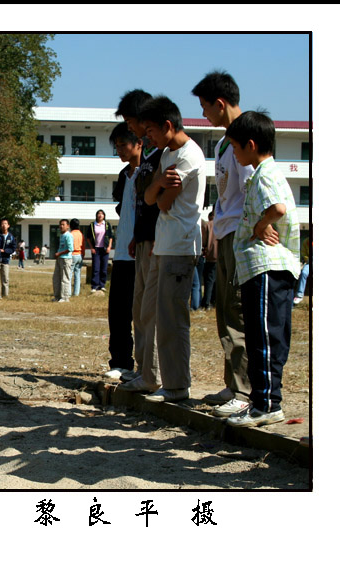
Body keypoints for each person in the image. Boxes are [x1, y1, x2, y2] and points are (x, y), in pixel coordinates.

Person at [225, 110, 301, 427]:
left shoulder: (265, 174)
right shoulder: (263, 172)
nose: (233, 153)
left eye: (235, 147)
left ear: (252, 145)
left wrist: (260, 225)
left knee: (265, 337)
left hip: (268, 267)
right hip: (265, 269)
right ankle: (261, 400)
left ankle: (268, 403)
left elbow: (278, 208)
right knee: (264, 335)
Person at [191, 71, 255, 415]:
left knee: (239, 312)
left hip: (241, 236)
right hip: (225, 230)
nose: (204, 115)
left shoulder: (247, 137)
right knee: (225, 310)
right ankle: (233, 383)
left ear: (220, 103)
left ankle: (245, 391)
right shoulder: (221, 143)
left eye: (205, 108)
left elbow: (251, 192)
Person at [139, 95, 206, 404]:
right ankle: (169, 383)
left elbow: (163, 201)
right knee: (159, 314)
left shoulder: (189, 156)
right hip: (165, 244)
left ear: (167, 125)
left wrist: (160, 189)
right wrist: (159, 186)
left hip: (181, 244)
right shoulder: (166, 154)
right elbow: (151, 197)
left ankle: (177, 386)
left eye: (150, 130)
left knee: (173, 319)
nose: (147, 137)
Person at [117, 89, 164, 392]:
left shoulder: (162, 154)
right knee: (138, 312)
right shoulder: (145, 159)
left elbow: (158, 198)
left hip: (162, 243)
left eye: (132, 124)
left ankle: (154, 374)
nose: (130, 129)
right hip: (142, 240)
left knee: (152, 313)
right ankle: (141, 369)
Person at [104, 123, 142, 380]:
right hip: (121, 253)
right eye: (116, 146)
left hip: (142, 253)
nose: (119, 150)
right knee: (117, 311)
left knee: (139, 312)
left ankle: (145, 367)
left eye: (123, 144)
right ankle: (120, 362)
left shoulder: (149, 172)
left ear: (139, 142)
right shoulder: (123, 174)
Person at [0, 217, 17, 299]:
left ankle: (5, 294)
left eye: (5, 224)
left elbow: (13, 248)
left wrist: (5, 251)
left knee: (5, 278)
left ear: (8, 225)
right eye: (2, 224)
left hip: (6, 260)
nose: (3, 225)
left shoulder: (11, 237)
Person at [89, 210, 113, 292]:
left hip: (105, 249)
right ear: (96, 215)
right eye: (98, 214)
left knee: (104, 268)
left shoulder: (107, 225)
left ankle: (102, 285)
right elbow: (88, 238)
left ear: (104, 216)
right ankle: (94, 285)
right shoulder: (92, 225)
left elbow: (110, 237)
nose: (100, 215)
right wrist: (91, 247)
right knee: (96, 268)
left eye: (102, 214)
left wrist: (109, 246)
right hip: (96, 249)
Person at [52, 219, 73, 302]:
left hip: (66, 259)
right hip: (60, 258)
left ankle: (65, 297)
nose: (61, 226)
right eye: (60, 224)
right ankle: (57, 296)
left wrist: (59, 253)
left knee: (65, 278)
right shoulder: (61, 235)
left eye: (63, 224)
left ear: (68, 226)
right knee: (56, 278)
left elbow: (70, 248)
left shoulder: (69, 235)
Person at [200, 210, 218, 309]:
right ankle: (214, 300)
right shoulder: (222, 224)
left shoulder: (208, 225)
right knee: (217, 281)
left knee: (209, 281)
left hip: (210, 256)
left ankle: (206, 302)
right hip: (220, 256)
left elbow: (204, 240)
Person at [293, 235, 310, 305]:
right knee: (304, 273)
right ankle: (299, 295)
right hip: (310, 262)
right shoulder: (306, 241)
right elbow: (304, 254)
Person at [69, 219, 85, 296]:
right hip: (80, 254)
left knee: (69, 274)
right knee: (77, 274)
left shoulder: (70, 234)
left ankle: (68, 292)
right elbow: (83, 245)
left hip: (72, 254)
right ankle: (76, 292)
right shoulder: (81, 234)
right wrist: (83, 254)